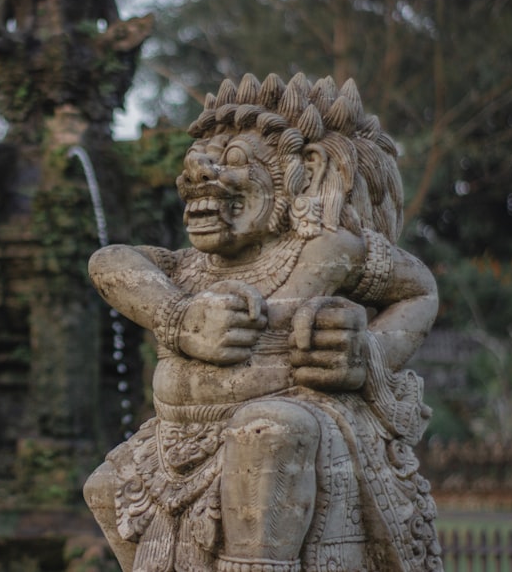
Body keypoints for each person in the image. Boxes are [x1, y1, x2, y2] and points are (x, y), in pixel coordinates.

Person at [84, 73, 442, 572]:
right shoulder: (187, 268)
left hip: (287, 422)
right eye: (196, 163)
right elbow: (109, 261)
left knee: (266, 434)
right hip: (178, 437)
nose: (197, 176)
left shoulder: (322, 252)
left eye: (233, 161)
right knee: (104, 486)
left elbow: (420, 287)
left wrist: (370, 355)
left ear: (302, 173)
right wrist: (179, 316)